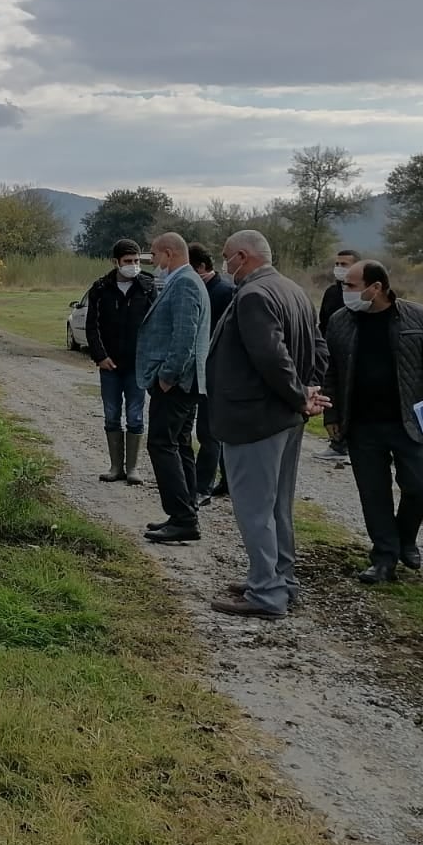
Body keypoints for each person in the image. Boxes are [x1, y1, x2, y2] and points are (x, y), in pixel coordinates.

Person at [207, 230, 330, 619]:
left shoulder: (254, 295)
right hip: (285, 416)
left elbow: (272, 358)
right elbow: (318, 347)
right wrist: (308, 392)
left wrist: (298, 394)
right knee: (278, 505)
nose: (224, 264)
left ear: (242, 256)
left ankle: (266, 593)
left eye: (226, 257)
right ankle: (280, 579)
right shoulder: (292, 290)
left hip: (255, 418)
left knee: (254, 509)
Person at [322, 260, 423, 583]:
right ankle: (384, 558)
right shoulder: (340, 321)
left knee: (421, 485)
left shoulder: (418, 318)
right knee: (373, 493)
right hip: (362, 425)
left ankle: (404, 537)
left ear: (376, 287)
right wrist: (332, 414)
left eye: (351, 286)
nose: (345, 291)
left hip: (409, 422)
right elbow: (331, 371)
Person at [137, 232, 212, 542]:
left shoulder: (184, 284)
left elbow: (184, 336)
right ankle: (185, 511)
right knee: (180, 445)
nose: (153, 263)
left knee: (161, 443)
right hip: (184, 383)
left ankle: (182, 517)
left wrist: (167, 377)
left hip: (177, 383)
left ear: (169, 253)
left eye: (154, 256)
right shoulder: (187, 281)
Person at [85, 237, 157, 485]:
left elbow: (155, 326)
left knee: (136, 416)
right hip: (110, 365)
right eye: (128, 261)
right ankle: (115, 466)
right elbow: (91, 326)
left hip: (137, 365)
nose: (133, 265)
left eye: (137, 260)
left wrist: (149, 358)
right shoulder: (101, 289)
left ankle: (133, 468)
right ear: (116, 262)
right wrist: (100, 356)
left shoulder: (147, 287)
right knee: (111, 414)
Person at [189, 242, 235, 504]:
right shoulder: (202, 287)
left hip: (216, 371)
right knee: (211, 431)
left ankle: (202, 487)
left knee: (208, 432)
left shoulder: (225, 292)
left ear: (201, 267)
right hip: (199, 369)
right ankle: (227, 482)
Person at [314, 247, 359, 462]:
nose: (339, 268)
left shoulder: (359, 292)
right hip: (331, 353)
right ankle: (338, 443)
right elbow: (322, 322)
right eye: (337, 264)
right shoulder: (331, 293)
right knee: (332, 398)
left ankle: (354, 445)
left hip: (354, 353)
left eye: (345, 265)